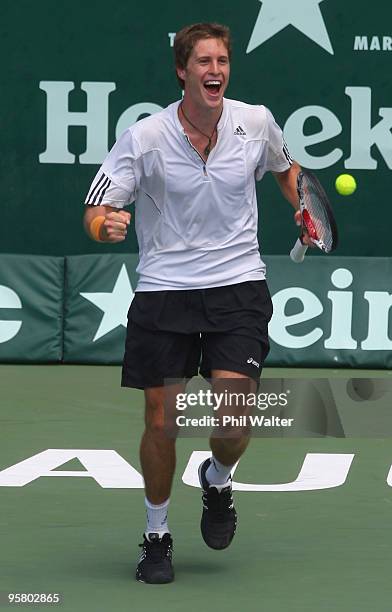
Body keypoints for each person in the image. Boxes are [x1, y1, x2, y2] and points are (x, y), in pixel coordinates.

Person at [83, 22, 307, 584]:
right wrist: (103, 226)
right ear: (182, 71)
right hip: (164, 291)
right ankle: (157, 534)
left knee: (234, 419)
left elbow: (287, 171)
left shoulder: (254, 123)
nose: (215, 71)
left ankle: (217, 479)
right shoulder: (145, 136)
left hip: (237, 287)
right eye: (203, 61)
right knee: (162, 423)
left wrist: (304, 204)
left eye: (222, 61)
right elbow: (97, 207)